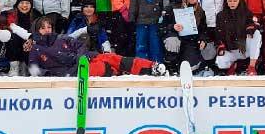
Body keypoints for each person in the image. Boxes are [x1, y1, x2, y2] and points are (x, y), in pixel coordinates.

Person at [29, 16, 167, 77]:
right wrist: (56, 74)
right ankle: (122, 73)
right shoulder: (36, 49)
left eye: (49, 27)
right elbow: (34, 69)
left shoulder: (62, 38)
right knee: (103, 68)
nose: (47, 30)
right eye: (43, 28)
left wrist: (81, 56)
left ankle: (151, 67)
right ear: (37, 30)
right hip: (74, 72)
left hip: (87, 59)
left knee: (113, 58)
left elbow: (80, 45)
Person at [163, 0, 209, 74]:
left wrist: (203, 40)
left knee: (190, 63)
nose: (194, 0)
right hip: (175, 38)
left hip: (191, 42)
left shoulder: (200, 11)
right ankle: (171, 67)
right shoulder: (173, 8)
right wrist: (173, 27)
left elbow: (203, 30)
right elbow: (162, 26)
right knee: (172, 43)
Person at [214, 0, 261, 75]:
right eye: (230, 1)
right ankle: (235, 66)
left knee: (257, 34)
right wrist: (220, 46)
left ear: (239, 0)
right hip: (230, 50)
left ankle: (251, 67)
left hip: (244, 49)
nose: (232, 3)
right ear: (226, 1)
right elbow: (218, 34)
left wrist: (250, 29)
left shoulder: (246, 13)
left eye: (235, 1)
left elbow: (255, 24)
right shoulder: (220, 16)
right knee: (220, 62)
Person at [6, 0, 36, 76]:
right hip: (14, 46)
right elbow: (11, 26)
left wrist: (31, 38)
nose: (24, 6)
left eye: (27, 3)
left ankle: (25, 66)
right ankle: (14, 66)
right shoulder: (12, 14)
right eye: (22, 3)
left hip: (27, 47)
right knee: (12, 37)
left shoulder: (35, 15)